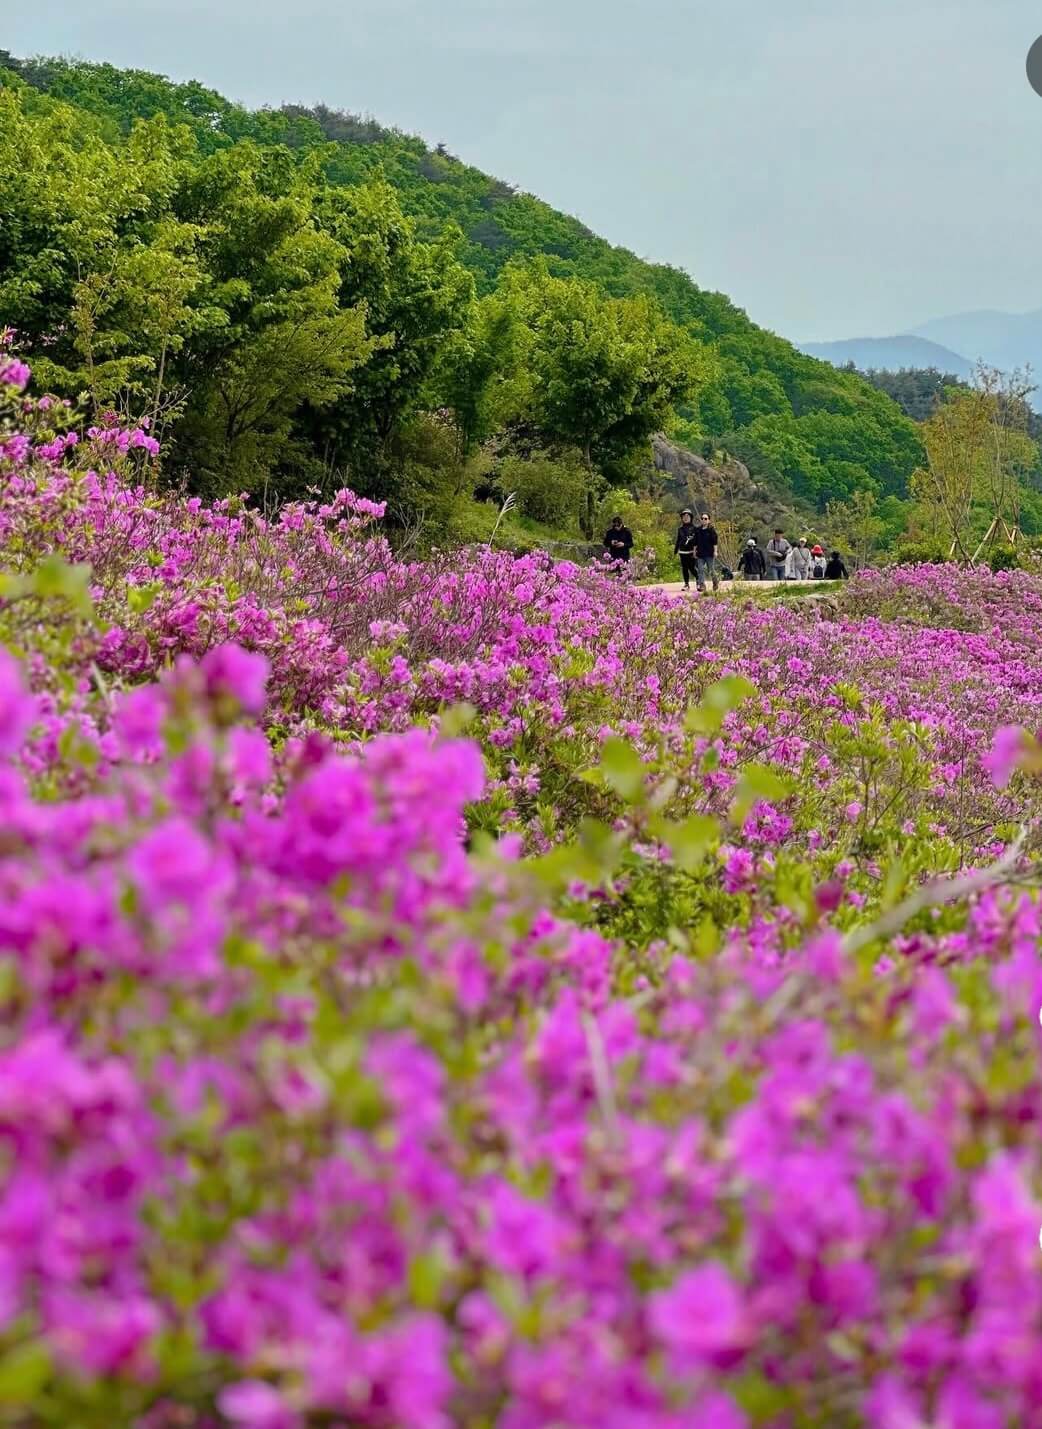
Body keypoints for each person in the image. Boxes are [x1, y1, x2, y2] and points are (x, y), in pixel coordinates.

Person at [693, 511, 720, 592]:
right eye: (702, 518)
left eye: (705, 518)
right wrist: (694, 551)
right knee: (700, 569)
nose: (704, 520)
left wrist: (715, 551)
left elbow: (715, 542)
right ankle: (702, 585)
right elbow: (695, 542)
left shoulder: (711, 530)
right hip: (700, 554)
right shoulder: (698, 530)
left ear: (709, 520)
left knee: (711, 570)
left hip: (709, 553)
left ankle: (715, 582)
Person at [674, 509, 698, 589]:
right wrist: (675, 550)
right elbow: (678, 540)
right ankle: (686, 584)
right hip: (682, 552)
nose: (685, 518)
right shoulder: (680, 529)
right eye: (684, 516)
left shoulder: (695, 528)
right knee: (684, 568)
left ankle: (699, 581)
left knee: (692, 568)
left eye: (687, 516)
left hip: (691, 551)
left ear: (691, 517)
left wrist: (697, 550)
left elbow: (697, 541)